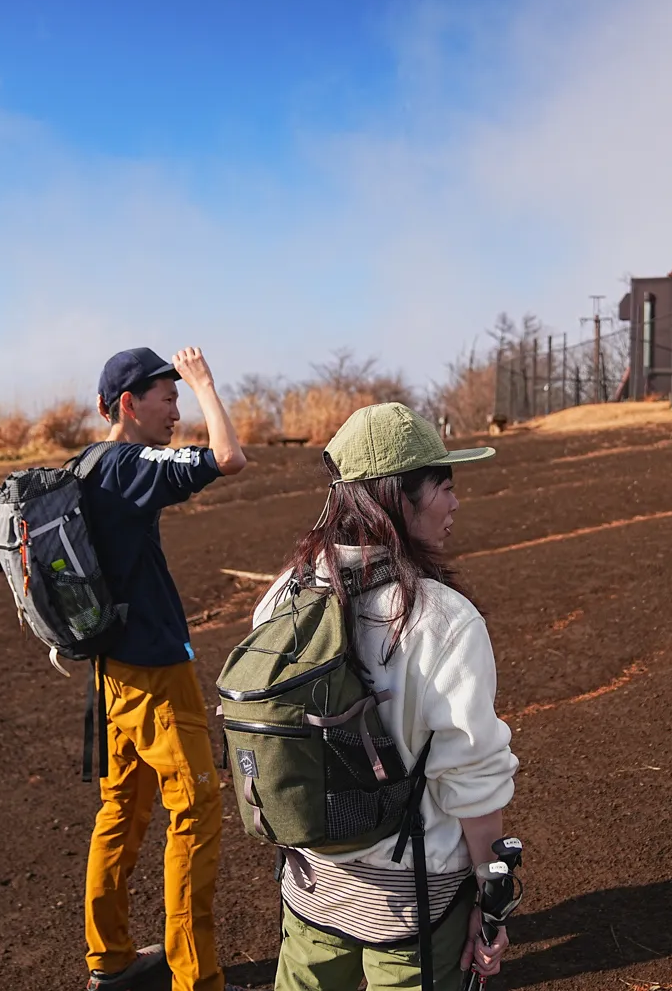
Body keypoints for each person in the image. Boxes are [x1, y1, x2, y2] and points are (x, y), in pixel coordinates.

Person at [248, 402, 517, 991]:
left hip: (313, 884)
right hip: (415, 899)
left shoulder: (281, 598)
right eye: (442, 487)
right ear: (399, 498)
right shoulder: (442, 619)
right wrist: (490, 898)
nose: (455, 503)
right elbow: (471, 777)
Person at [81, 346, 248, 991]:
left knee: (121, 809)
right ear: (129, 404)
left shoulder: (87, 466)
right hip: (154, 671)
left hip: (113, 671)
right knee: (196, 811)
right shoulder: (130, 463)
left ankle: (111, 958)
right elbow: (229, 458)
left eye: (181, 397)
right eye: (167, 397)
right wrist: (207, 383)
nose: (176, 410)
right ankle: (197, 981)